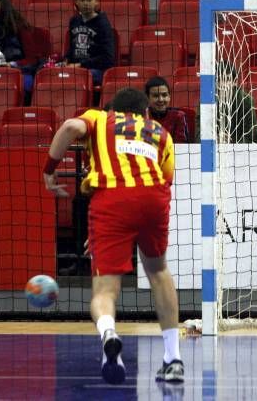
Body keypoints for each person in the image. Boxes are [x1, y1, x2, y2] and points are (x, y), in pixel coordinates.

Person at [42, 88, 184, 385]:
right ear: (145, 112)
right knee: (158, 271)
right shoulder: (159, 131)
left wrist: (50, 170)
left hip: (111, 199)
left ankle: (109, 333)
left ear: (113, 110)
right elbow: (167, 177)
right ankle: (173, 359)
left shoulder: (99, 118)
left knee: (105, 290)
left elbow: (69, 127)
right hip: (154, 197)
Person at [63, 0, 115, 85]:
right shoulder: (74, 21)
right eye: (82, 0)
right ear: (76, 1)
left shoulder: (103, 24)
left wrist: (80, 65)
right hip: (75, 68)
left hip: (97, 70)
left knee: (82, 76)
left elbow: (108, 58)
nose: (86, 3)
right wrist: (66, 59)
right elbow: (72, 47)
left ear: (96, 1)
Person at [217, 61, 257, 143]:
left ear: (235, 82)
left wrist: (232, 144)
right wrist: (214, 140)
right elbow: (198, 134)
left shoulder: (246, 100)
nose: (223, 84)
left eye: (227, 79)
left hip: (239, 151)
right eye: (220, 80)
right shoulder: (205, 102)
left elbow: (252, 135)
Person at [146, 75, 191, 143]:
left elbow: (181, 146)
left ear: (169, 97)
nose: (160, 99)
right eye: (155, 96)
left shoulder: (178, 116)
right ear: (147, 98)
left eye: (164, 95)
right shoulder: (141, 116)